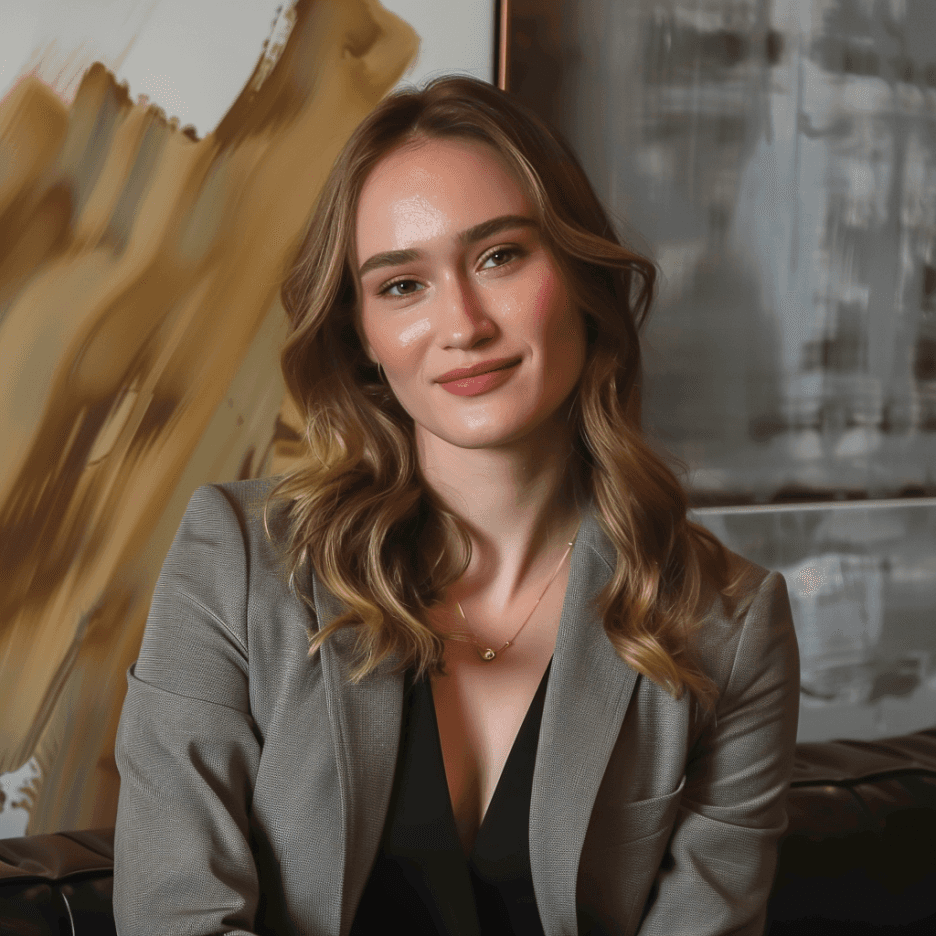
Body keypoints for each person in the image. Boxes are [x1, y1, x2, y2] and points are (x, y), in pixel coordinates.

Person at [113, 74, 800, 936]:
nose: (464, 323)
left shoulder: (729, 628)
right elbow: (173, 916)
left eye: (500, 256)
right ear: (361, 335)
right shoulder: (238, 563)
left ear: (582, 276)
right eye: (403, 285)